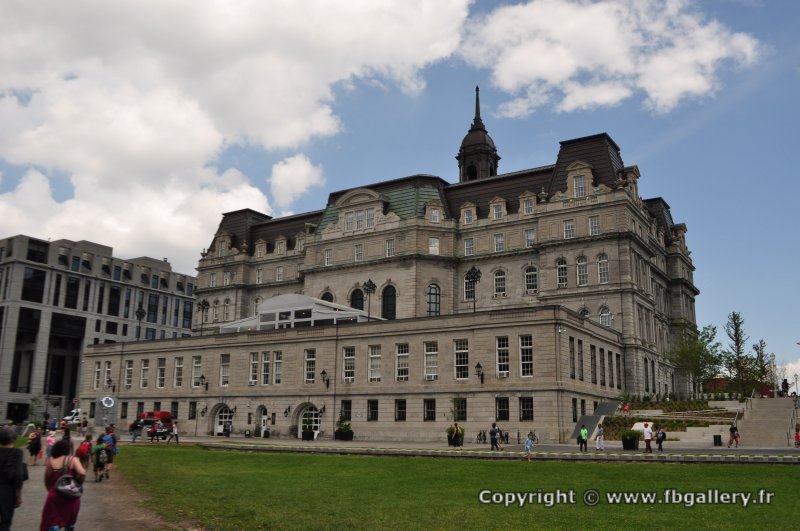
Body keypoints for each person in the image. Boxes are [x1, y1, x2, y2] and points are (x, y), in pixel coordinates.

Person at [40, 439, 85, 531]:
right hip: (70, 495)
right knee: (69, 523)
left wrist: (51, 490)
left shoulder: (51, 462)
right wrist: (79, 483)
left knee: (52, 521)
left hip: (54, 495)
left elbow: (47, 479)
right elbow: (82, 473)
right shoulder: (72, 459)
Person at [0, 425, 28, 531]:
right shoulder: (17, 453)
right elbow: (19, 474)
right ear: (14, 439)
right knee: (5, 523)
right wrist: (18, 495)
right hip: (7, 492)